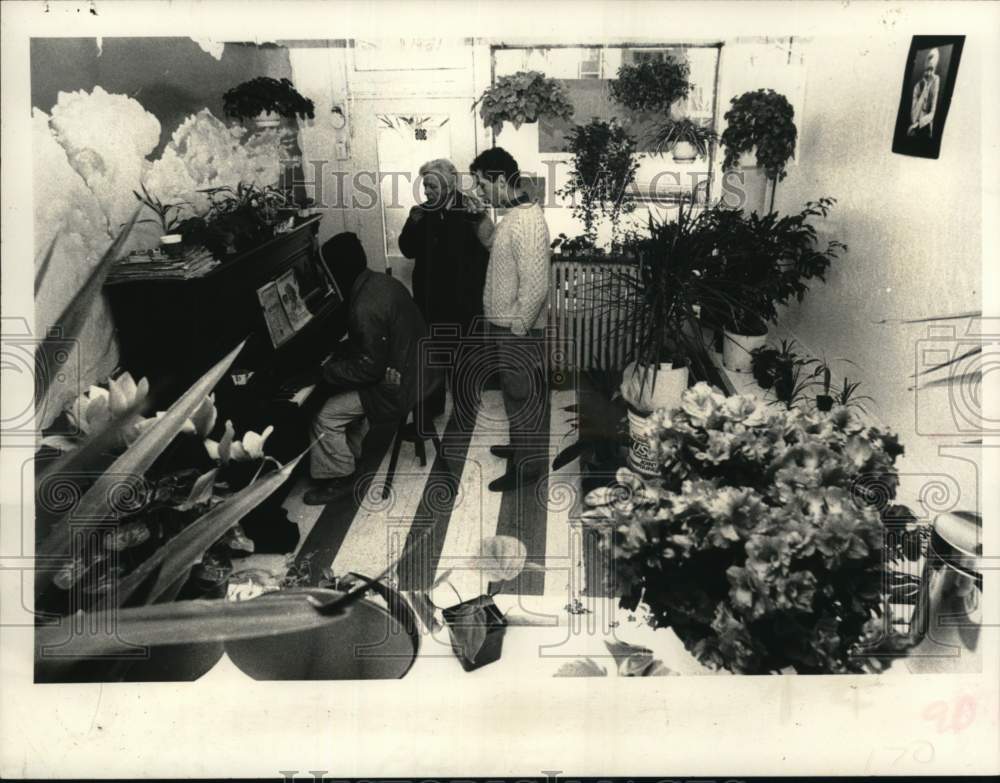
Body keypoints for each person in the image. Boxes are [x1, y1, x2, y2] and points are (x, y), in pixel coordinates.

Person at [305, 232, 432, 505]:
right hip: (421, 370)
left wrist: (326, 372)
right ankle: (352, 454)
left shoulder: (363, 305)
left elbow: (370, 370)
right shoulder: (381, 281)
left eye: (329, 272)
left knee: (324, 416)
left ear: (339, 271)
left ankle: (341, 478)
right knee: (339, 393)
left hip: (399, 384)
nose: (328, 279)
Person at [470, 147, 551, 492]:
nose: (479, 192)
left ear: (501, 180)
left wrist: (519, 330)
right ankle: (521, 446)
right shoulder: (513, 216)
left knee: (522, 395)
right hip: (507, 327)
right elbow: (493, 244)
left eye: (482, 185)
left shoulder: (529, 222)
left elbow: (536, 286)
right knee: (513, 394)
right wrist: (479, 216)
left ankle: (528, 466)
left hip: (518, 330)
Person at [398, 158, 491, 426]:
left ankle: (465, 410)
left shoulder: (470, 208)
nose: (426, 192)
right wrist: (413, 224)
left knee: (463, 357)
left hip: (463, 302)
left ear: (448, 185)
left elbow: (483, 254)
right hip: (430, 301)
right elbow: (407, 249)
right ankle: (433, 406)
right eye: (425, 186)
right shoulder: (421, 212)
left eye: (432, 187)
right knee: (433, 356)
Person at [908, 47, 941, 140]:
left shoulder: (936, 80)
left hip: (925, 128)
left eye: (932, 70)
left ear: (935, 69)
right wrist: (925, 89)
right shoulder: (917, 86)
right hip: (914, 129)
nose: (929, 73)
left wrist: (918, 124)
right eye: (927, 70)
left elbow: (932, 113)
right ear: (924, 70)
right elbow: (914, 117)